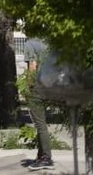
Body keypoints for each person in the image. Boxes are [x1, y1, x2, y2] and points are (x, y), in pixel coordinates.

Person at [24, 37, 54, 171]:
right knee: (42, 123)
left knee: (40, 124)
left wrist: (28, 87)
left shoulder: (30, 44)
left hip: (37, 87)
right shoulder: (47, 42)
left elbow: (32, 65)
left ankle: (46, 157)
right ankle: (41, 155)